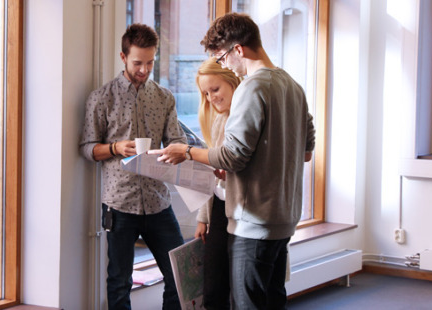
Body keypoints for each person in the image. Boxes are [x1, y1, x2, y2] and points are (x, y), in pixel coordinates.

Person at [149, 12, 315, 309]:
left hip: (254, 221)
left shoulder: (252, 87)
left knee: (247, 303)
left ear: (238, 50)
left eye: (222, 57)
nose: (224, 64)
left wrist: (185, 151)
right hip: (284, 218)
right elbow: (305, 151)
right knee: (272, 298)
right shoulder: (292, 86)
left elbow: (232, 156)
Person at [79, 23, 187, 310]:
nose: (144, 69)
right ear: (123, 56)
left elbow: (177, 139)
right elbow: (87, 148)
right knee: (119, 282)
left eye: (150, 62)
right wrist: (115, 148)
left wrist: (171, 151)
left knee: (179, 275)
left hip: (158, 202)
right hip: (119, 205)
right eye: (138, 62)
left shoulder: (164, 97)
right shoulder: (101, 98)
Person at [193, 58, 242, 310]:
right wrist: (203, 217)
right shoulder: (217, 120)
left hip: (242, 211)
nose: (211, 97)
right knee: (213, 285)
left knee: (240, 286)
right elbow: (212, 176)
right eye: (206, 93)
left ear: (233, 82)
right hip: (219, 211)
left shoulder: (242, 118)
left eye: (215, 89)